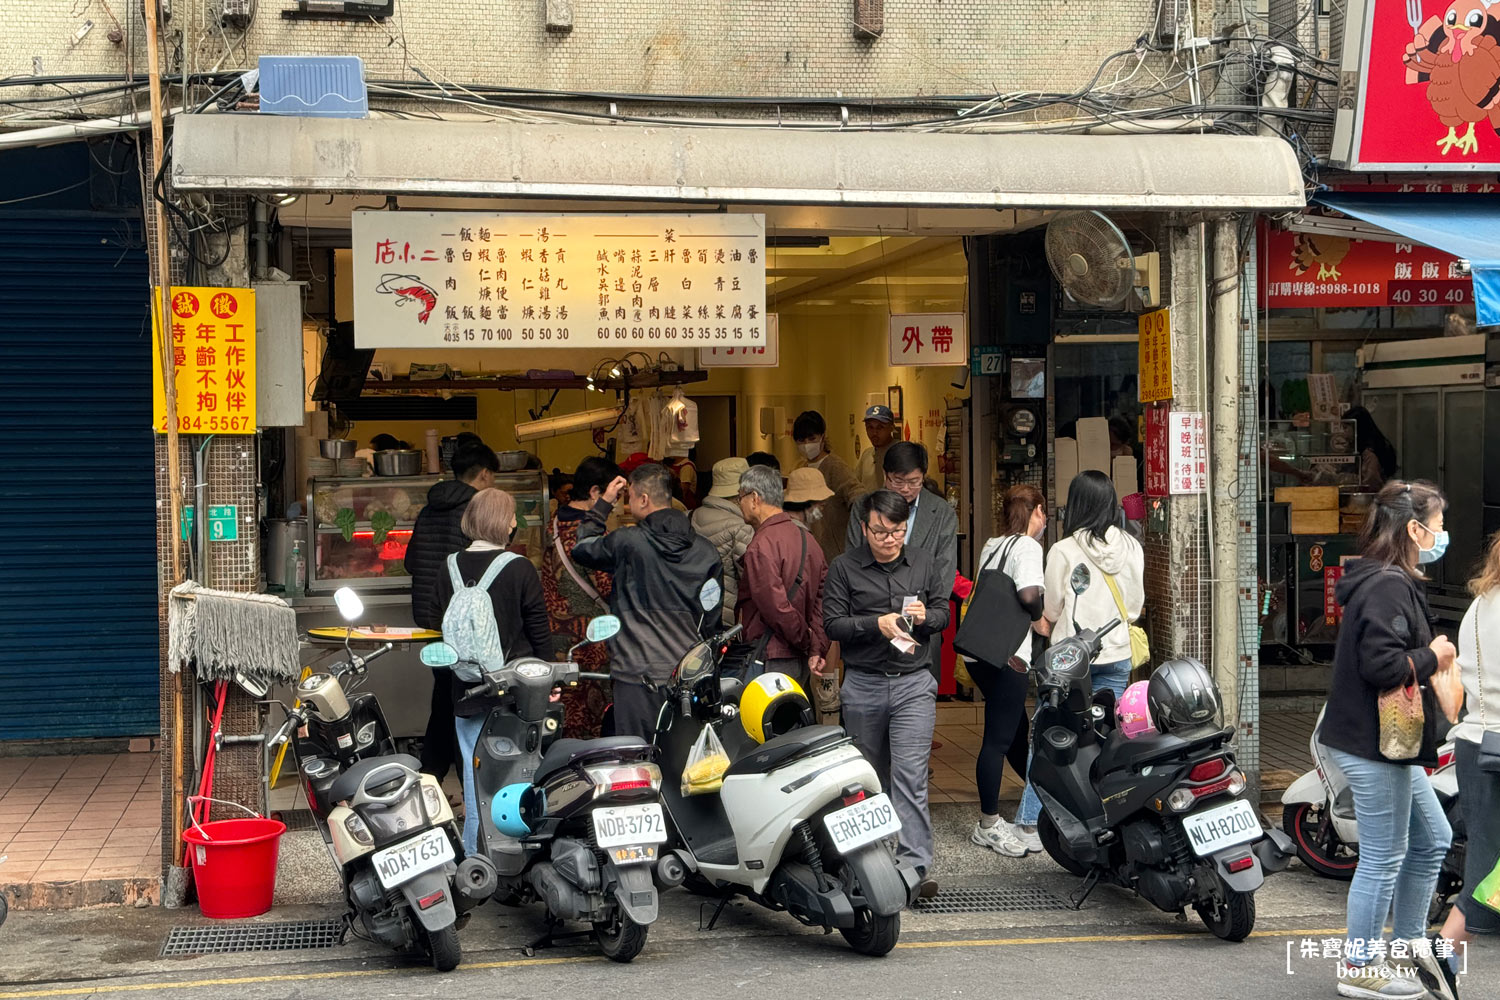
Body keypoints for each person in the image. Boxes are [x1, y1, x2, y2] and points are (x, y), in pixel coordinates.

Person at [1320, 479, 1460, 1000]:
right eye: (1440, 524)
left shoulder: (1387, 578)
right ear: (1415, 529)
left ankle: (1405, 945)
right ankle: (1359, 965)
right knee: (1384, 856)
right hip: (1372, 743)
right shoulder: (1387, 585)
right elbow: (1381, 666)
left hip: (1384, 742)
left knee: (1432, 838)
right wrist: (1434, 656)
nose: (1444, 533)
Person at [824, 489, 950, 897]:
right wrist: (873, 624)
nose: (890, 539)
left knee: (910, 776)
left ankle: (915, 867)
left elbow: (944, 613)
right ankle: (869, 865)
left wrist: (926, 617)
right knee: (867, 778)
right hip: (863, 683)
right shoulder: (844, 568)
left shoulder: (923, 562)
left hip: (913, 683)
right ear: (865, 528)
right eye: (881, 531)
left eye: (897, 531)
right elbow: (833, 624)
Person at [1010, 470, 1144, 848]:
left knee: (1053, 736)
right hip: (1117, 653)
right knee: (1108, 738)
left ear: (1076, 504)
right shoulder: (1132, 547)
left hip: (1071, 661)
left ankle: (1030, 822)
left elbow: (1051, 608)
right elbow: (1135, 607)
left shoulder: (1064, 550)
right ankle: (1106, 815)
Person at [431, 488, 551, 854]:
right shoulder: (519, 567)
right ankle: (520, 849)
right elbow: (538, 629)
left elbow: (439, 621)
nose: (515, 521)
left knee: (474, 775)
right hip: (516, 690)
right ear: (504, 522)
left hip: (466, 689)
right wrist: (548, 678)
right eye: (512, 515)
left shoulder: (449, 566)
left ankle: (476, 856)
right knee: (521, 770)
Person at [571, 462, 723, 740]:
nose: (627, 504)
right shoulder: (706, 551)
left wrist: (604, 503)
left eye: (628, 497)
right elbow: (711, 621)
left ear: (643, 499)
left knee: (637, 756)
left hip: (635, 675)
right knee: (686, 757)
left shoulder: (628, 542)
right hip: (688, 675)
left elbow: (582, 548)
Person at [404, 441, 499, 783]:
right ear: (484, 474)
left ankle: (434, 769)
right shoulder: (476, 511)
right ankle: (463, 770)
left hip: (431, 617)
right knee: (462, 694)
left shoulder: (429, 509)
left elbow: (410, 561)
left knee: (446, 688)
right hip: (463, 620)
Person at [967, 485, 1049, 859]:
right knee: (998, 740)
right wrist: (1040, 618)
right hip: (1008, 657)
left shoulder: (993, 544)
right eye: (1043, 513)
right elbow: (1029, 595)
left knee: (1016, 732)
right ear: (1037, 511)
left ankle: (1041, 797)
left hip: (979, 654)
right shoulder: (1028, 547)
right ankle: (988, 824)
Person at [1439, 532, 1500, 998]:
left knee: (1489, 860)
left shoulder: (1480, 606)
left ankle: (1446, 952)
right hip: (1495, 749)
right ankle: (1444, 949)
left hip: (1474, 744)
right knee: (1489, 867)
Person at [846, 441, 959, 681]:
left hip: (919, 624)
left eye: (914, 482)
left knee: (918, 696)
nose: (906, 489)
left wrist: (925, 615)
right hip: (871, 625)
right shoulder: (863, 508)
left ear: (924, 476)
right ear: (885, 475)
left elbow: (944, 570)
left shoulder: (941, 512)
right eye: (898, 481)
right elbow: (853, 564)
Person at [542, 455, 620, 739]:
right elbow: (608, 586)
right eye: (614, 495)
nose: (616, 503)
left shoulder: (553, 523)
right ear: (595, 492)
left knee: (563, 711)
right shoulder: (592, 536)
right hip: (591, 639)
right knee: (593, 715)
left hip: (556, 636)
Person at [736, 465, 829, 689]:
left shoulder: (762, 544)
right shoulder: (809, 540)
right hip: (800, 659)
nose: (739, 504)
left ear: (754, 498)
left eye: (740, 497)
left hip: (769, 656)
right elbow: (823, 600)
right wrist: (816, 645)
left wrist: (805, 640)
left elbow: (775, 607)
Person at [691, 458, 755, 627]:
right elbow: (751, 581)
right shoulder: (741, 528)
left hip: (692, 615)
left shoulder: (689, 517)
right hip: (725, 620)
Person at [792, 410, 863, 560]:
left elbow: (856, 492)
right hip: (810, 549)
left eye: (812, 439)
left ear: (823, 437)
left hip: (834, 551)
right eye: (801, 441)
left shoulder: (835, 467)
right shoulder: (801, 468)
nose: (806, 445)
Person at [1346, 405, 1398, 491]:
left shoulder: (1370, 453)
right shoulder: (1360, 448)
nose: (1344, 432)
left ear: (1357, 428)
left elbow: (1371, 482)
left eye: (1345, 428)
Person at [855, 404, 897, 494]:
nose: (874, 433)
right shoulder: (867, 455)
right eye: (870, 427)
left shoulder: (902, 452)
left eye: (880, 427)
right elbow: (855, 485)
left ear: (891, 428)